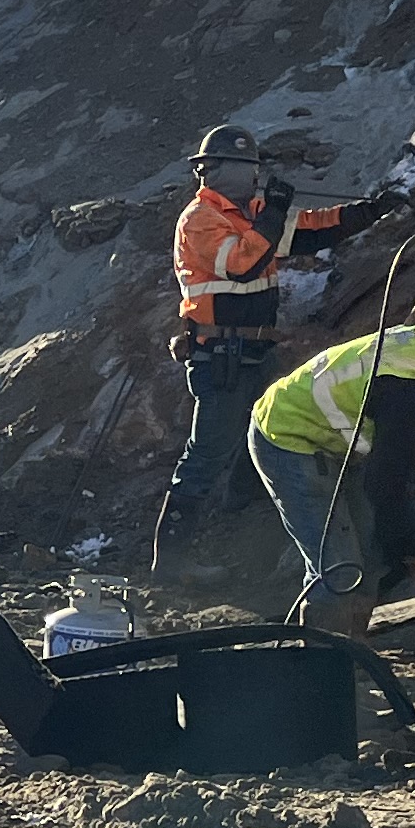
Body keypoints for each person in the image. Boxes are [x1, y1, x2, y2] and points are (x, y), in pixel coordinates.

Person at [151, 125, 347, 568]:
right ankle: (171, 564)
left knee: (263, 438)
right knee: (208, 453)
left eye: (254, 167)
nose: (256, 175)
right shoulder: (199, 219)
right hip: (219, 356)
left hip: (256, 352)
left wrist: (371, 212)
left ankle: (241, 544)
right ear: (213, 170)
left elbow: (313, 229)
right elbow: (241, 265)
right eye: (248, 167)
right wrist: (273, 212)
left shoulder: (253, 213)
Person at [248, 322, 415, 636]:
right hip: (287, 435)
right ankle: (324, 669)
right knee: (338, 570)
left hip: (335, 441)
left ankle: (351, 650)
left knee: (368, 557)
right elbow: (386, 487)